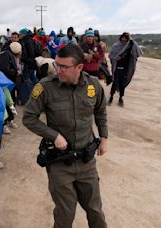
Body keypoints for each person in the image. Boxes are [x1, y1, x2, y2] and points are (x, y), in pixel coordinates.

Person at [23, 44, 108, 228]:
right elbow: (29, 118)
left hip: (87, 161)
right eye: (57, 64)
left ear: (79, 67)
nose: (57, 69)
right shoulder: (45, 87)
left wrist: (104, 138)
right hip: (60, 162)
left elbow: (100, 111)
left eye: (63, 66)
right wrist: (54, 136)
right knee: (65, 214)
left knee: (95, 211)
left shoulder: (93, 85)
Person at [108, 32, 141, 107]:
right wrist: (115, 59)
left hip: (125, 70)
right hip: (116, 69)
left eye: (125, 38)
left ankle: (120, 98)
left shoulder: (130, 47)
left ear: (128, 39)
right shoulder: (116, 46)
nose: (123, 39)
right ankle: (111, 97)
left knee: (122, 84)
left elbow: (137, 52)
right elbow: (111, 56)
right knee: (114, 83)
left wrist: (131, 39)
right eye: (122, 37)